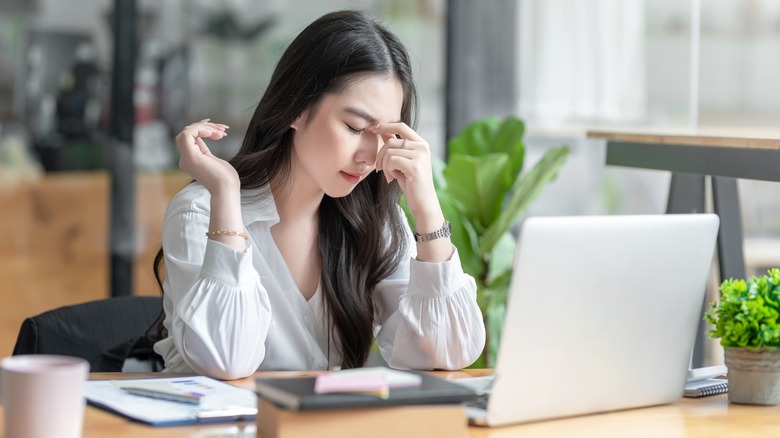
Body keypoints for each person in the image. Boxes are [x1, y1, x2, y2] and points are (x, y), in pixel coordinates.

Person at [152, 9, 486, 380]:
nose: (370, 155)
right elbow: (225, 360)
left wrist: (427, 210)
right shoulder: (201, 212)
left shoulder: (375, 222)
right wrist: (226, 193)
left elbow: (448, 352)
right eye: (355, 127)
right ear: (296, 108)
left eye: (385, 134)